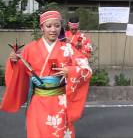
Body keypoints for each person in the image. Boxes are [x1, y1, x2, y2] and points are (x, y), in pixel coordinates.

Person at [0, 10, 92, 138]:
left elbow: (86, 69)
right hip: (38, 102)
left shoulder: (68, 48)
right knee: (37, 133)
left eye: (57, 26)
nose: (53, 29)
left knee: (59, 133)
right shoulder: (30, 48)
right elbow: (20, 71)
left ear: (61, 27)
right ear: (41, 27)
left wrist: (70, 71)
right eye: (49, 26)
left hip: (59, 102)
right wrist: (13, 62)